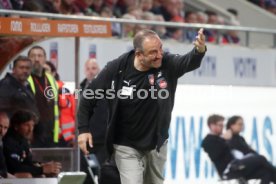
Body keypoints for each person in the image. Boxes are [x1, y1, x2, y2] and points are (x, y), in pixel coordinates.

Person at [78, 28, 206, 184]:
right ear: (138, 54)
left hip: (156, 144)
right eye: (153, 52)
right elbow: (88, 97)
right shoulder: (117, 68)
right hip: (126, 145)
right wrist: (83, 130)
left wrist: (199, 51)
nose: (159, 55)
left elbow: (187, 62)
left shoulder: (167, 63)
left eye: (160, 48)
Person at [202, 114, 276, 184]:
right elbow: (216, 154)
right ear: (212, 126)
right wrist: (224, 140)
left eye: (222, 125)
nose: (222, 127)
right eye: (220, 125)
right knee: (261, 158)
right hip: (228, 170)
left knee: (266, 173)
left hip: (237, 166)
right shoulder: (208, 141)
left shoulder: (222, 138)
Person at [3, 110, 62, 177]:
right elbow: (14, 168)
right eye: (27, 125)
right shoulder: (8, 142)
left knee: (45, 174)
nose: (30, 129)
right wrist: (41, 169)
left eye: (32, 125)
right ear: (16, 126)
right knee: (27, 176)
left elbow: (27, 163)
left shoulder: (23, 141)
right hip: (5, 176)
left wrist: (41, 165)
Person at [80, 58, 109, 184]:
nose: (91, 72)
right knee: (86, 174)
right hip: (85, 140)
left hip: (101, 140)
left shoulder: (108, 89)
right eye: (88, 69)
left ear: (99, 70)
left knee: (102, 173)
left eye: (94, 68)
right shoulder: (80, 88)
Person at [27, 46, 59, 148]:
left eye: (40, 56)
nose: (36, 59)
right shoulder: (25, 78)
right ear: (28, 59)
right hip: (32, 134)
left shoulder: (51, 79)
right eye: (33, 56)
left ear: (45, 58)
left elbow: (55, 106)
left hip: (51, 134)